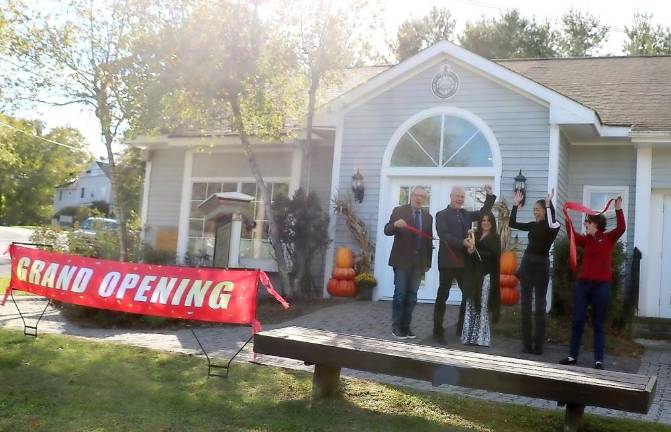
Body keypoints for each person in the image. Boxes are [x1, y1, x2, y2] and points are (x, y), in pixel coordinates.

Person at [559, 197, 625, 370]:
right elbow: (572, 236)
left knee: (598, 322)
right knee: (578, 320)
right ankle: (572, 356)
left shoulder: (608, 238)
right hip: (583, 285)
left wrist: (618, 209)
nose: (585, 225)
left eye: (587, 222)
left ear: (596, 223)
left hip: (602, 286)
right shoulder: (586, 240)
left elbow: (621, 228)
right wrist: (567, 220)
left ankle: (598, 360)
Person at [434, 184, 496, 342]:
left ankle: (462, 328)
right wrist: (462, 243)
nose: (460, 199)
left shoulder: (465, 214)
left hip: (464, 262)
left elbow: (483, 213)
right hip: (448, 261)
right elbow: (444, 235)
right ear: (451, 196)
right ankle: (437, 330)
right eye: (457, 196)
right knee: (443, 295)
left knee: (468, 294)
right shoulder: (441, 215)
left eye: (462, 197)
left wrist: (489, 196)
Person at [509, 189, 560, 355]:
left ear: (545, 210)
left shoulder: (554, 226)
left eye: (537, 210)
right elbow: (512, 223)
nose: (534, 213)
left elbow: (551, 222)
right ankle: (526, 344)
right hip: (527, 265)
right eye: (533, 210)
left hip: (541, 267)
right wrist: (515, 205)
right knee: (525, 306)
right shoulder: (533, 225)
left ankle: (538, 346)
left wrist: (547, 204)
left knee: (539, 307)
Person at [384, 186, 433, 339]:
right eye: (417, 195)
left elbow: (428, 240)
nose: (419, 199)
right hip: (401, 261)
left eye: (422, 197)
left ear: (425, 199)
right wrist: (394, 225)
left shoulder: (428, 217)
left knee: (412, 296)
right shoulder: (399, 211)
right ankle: (397, 327)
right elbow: (387, 230)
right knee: (400, 295)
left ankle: (406, 326)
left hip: (418, 263)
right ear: (412, 196)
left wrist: (428, 263)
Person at [461, 211, 501, 346]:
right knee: (471, 303)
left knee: (482, 305)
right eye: (483, 220)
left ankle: (481, 338)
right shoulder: (475, 235)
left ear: (492, 222)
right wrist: (469, 251)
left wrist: (477, 250)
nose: (485, 222)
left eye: (488, 220)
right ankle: (469, 337)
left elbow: (494, 255)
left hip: (486, 275)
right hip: (473, 275)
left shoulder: (495, 237)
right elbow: (469, 254)